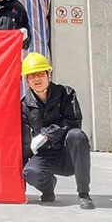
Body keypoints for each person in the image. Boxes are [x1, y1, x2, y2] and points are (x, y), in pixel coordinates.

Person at [21, 52, 95, 210]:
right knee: (30, 172)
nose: (36, 79)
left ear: (49, 74)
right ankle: (48, 188)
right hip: (45, 155)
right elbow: (25, 143)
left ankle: (84, 194)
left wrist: (47, 135)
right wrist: (22, 186)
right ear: (27, 80)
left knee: (77, 136)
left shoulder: (66, 94)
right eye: (31, 76)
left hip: (68, 154)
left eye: (40, 74)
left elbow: (73, 122)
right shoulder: (25, 106)